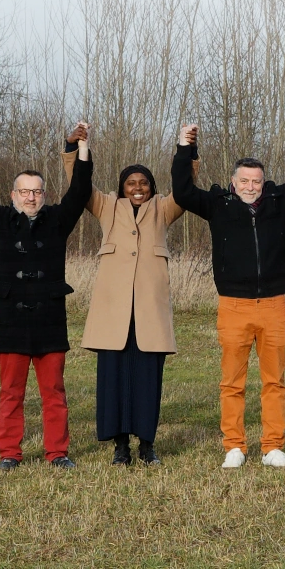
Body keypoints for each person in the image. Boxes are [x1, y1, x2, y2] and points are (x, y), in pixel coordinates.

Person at [173, 117, 285, 469]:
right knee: (232, 381)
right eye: (244, 180)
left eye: (256, 181)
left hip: (273, 304)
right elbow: (182, 192)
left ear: (263, 181)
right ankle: (235, 446)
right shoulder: (218, 205)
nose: (251, 186)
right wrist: (186, 147)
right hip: (233, 306)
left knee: (275, 381)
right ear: (233, 181)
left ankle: (273, 447)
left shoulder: (277, 200)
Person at [0, 124, 95, 470]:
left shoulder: (58, 220)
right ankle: (9, 453)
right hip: (11, 321)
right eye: (24, 192)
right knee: (11, 393)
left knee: (54, 393)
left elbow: (81, 189)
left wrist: (80, 146)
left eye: (37, 192)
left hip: (50, 321)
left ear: (44, 194)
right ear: (13, 195)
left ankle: (58, 453)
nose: (31, 197)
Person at [82, 130, 187, 467]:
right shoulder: (107, 206)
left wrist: (186, 149)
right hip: (114, 314)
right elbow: (80, 188)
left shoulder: (163, 209)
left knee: (147, 381)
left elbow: (184, 187)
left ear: (152, 186)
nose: (138, 187)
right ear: (121, 186)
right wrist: (79, 149)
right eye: (131, 183)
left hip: (148, 314)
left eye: (143, 182)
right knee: (113, 381)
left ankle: (147, 445)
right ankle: (120, 446)